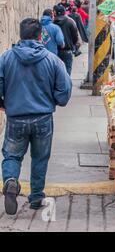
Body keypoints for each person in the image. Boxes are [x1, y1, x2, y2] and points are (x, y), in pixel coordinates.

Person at [0, 18, 72, 214]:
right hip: (43, 118)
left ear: (20, 35)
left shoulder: (5, 59)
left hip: (16, 118)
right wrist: (54, 100)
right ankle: (36, 197)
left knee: (12, 156)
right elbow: (64, 92)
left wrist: (3, 104)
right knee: (40, 158)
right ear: (41, 36)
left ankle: (11, 181)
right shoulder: (53, 60)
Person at [53, 5, 80, 75]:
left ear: (55, 13)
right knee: (67, 70)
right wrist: (72, 44)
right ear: (64, 12)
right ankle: (66, 84)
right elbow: (75, 37)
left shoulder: (53, 23)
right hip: (67, 50)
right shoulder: (70, 21)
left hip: (56, 50)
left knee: (57, 71)